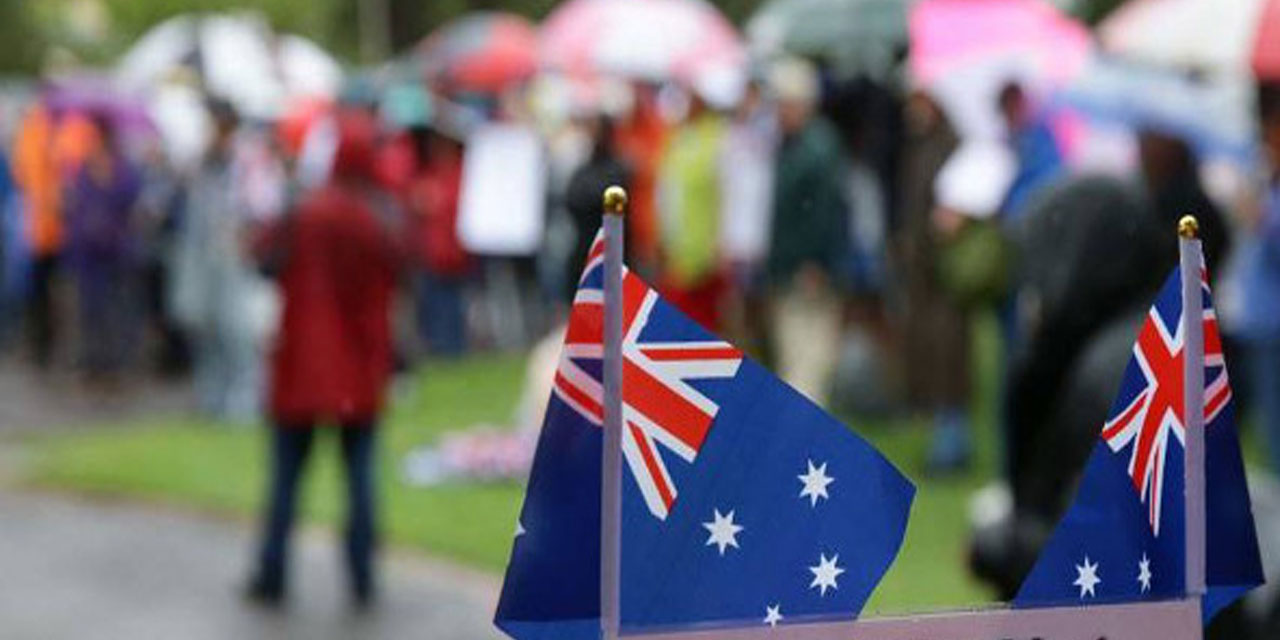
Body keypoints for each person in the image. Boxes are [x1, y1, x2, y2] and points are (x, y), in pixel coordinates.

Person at [247, 107, 403, 608]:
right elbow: (404, 271)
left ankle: (272, 573)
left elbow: (262, 258)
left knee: (287, 478)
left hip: (302, 362)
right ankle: (362, 578)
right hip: (357, 365)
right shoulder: (379, 218)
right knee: (358, 478)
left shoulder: (304, 210)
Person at [171, 101, 269, 422]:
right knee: (205, 328)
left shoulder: (248, 160)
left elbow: (262, 207)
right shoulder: (201, 162)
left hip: (234, 257)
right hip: (202, 257)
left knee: (237, 331)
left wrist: (242, 237)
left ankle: (244, 401)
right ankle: (211, 398)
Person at [765, 57, 850, 406]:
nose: (779, 112)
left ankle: (804, 428)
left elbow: (825, 211)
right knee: (792, 353)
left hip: (808, 269)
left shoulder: (817, 148)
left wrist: (816, 261)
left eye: (784, 104)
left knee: (808, 358)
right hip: (789, 266)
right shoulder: (792, 145)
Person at [896, 91, 970, 473]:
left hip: (948, 271)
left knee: (949, 354)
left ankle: (952, 442)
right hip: (924, 273)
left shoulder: (955, 147)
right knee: (931, 352)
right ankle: (943, 434)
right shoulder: (921, 145)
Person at [64, 115, 142, 383]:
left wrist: (109, 180)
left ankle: (115, 364)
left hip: (115, 252)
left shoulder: (124, 170)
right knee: (90, 309)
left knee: (116, 310)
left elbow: (131, 201)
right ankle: (93, 362)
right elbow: (77, 205)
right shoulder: (85, 169)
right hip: (88, 254)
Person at [656, 79, 730, 331]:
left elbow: (727, 193)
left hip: (707, 256)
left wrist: (720, 243)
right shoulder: (678, 139)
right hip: (678, 253)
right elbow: (668, 195)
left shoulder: (718, 138)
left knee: (704, 327)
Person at [11, 102, 63, 369]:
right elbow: (21, 176)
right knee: (39, 291)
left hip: (54, 233)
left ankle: (45, 345)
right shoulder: (35, 133)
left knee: (47, 292)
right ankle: (40, 345)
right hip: (39, 232)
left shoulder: (62, 133)